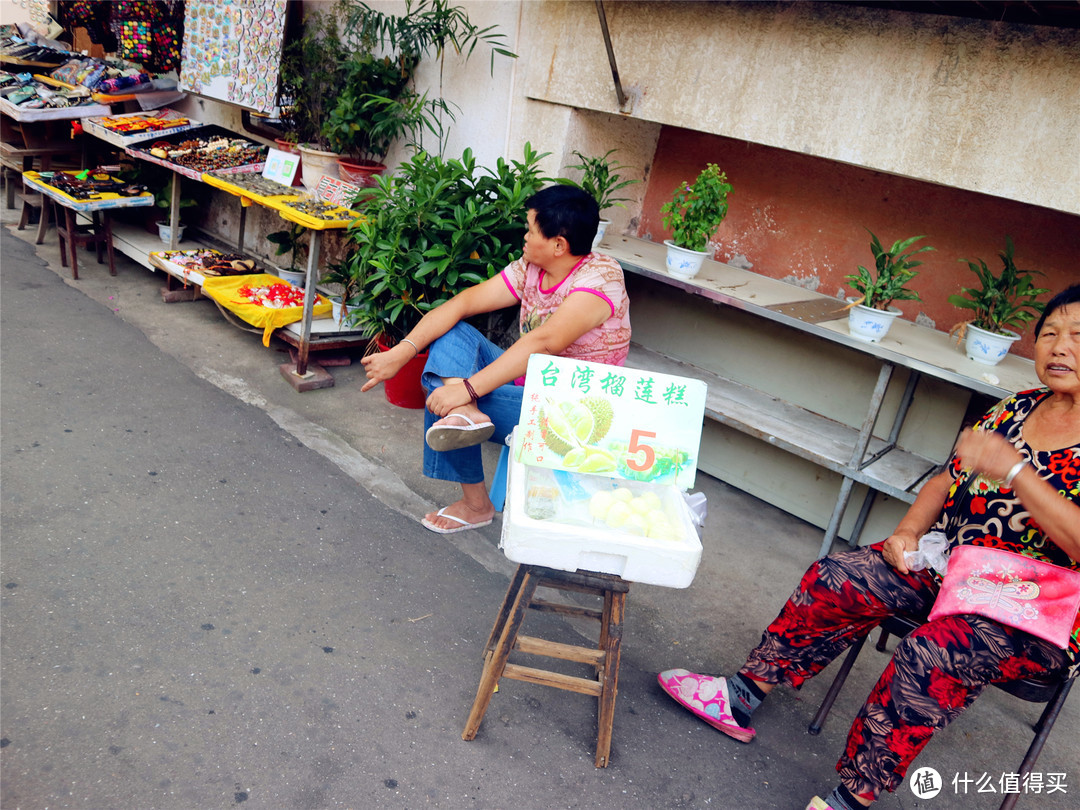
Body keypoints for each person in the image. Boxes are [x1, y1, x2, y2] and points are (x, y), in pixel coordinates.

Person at [658, 284, 1080, 810]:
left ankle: (851, 798)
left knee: (936, 652)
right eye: (1050, 334)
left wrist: (1015, 471)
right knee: (840, 575)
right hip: (954, 570)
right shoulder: (1016, 408)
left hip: (1035, 612)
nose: (1060, 347)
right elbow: (946, 480)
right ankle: (741, 695)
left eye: (1078, 337)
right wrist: (906, 533)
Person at [360, 184, 631, 534]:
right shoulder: (531, 268)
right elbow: (462, 304)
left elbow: (546, 341)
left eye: (531, 230)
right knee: (451, 342)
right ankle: (464, 416)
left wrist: (466, 390)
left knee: (443, 392)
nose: (525, 235)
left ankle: (475, 503)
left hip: (574, 410)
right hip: (529, 383)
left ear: (558, 245)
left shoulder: (601, 278)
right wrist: (403, 351)